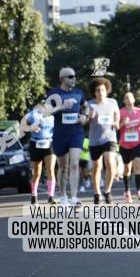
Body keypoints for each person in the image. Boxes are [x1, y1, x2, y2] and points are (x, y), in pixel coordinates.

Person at [48, 67, 88, 206]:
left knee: (75, 164)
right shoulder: (54, 93)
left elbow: (86, 106)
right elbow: (45, 112)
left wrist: (85, 116)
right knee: (63, 167)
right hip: (60, 135)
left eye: (74, 76)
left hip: (76, 133)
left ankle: (74, 197)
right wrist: (61, 106)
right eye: (70, 76)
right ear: (62, 78)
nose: (74, 78)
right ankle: (63, 196)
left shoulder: (78, 92)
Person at [86, 77, 120, 204]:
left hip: (109, 137)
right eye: (98, 90)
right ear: (94, 92)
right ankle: (96, 193)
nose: (101, 92)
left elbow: (117, 113)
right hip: (95, 140)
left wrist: (116, 121)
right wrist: (89, 117)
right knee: (96, 167)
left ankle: (107, 191)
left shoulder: (112, 102)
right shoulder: (90, 104)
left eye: (103, 90)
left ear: (107, 91)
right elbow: (84, 120)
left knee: (110, 162)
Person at [118, 92, 140, 203]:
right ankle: (127, 191)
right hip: (125, 144)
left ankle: (139, 191)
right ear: (124, 101)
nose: (129, 98)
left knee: (137, 164)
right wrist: (123, 123)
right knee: (127, 168)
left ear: (134, 99)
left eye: (130, 96)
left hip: (137, 142)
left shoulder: (139, 111)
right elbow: (116, 126)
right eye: (126, 97)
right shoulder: (120, 112)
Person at [25, 103, 57, 205]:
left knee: (50, 170)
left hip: (49, 143)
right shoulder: (33, 114)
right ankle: (34, 196)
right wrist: (31, 127)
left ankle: (51, 196)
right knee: (37, 173)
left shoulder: (53, 116)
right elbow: (25, 124)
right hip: (36, 143)